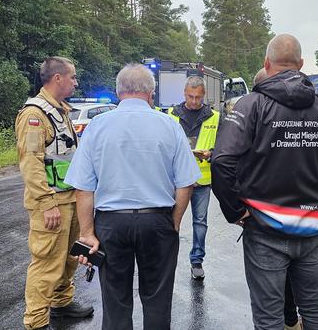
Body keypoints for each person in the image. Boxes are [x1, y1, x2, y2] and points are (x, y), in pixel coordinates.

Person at [211, 34, 318, 330]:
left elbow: (222, 160)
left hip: (264, 229)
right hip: (311, 229)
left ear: (266, 63)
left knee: (270, 317)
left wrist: (236, 211)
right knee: (315, 306)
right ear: (301, 65)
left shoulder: (251, 105)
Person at [65, 64, 200, 330]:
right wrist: (174, 221)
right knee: (158, 300)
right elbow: (186, 183)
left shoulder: (97, 127)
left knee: (115, 302)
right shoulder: (170, 126)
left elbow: (83, 187)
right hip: (157, 221)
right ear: (151, 93)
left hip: (111, 225)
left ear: (118, 92)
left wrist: (88, 233)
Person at [15, 57, 93, 330]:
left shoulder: (59, 111)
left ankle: (62, 303)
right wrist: (46, 202)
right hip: (52, 201)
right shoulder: (34, 115)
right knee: (47, 262)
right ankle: (35, 322)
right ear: (57, 78)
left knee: (69, 257)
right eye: (72, 77)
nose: (76, 82)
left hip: (69, 197)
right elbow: (31, 163)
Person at [254, 67, 300, 330]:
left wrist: (239, 210)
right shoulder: (311, 111)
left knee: (268, 293)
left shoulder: (256, 113)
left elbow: (230, 164)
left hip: (267, 219)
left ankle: (287, 319)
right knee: (305, 289)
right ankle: (291, 320)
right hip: (305, 215)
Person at [167, 76, 220, 280]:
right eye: (190, 96)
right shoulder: (171, 115)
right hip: (177, 179)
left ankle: (197, 260)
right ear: (184, 93)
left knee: (200, 222)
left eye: (198, 97)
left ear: (203, 95)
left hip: (201, 180)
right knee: (170, 220)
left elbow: (224, 145)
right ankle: (167, 257)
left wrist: (212, 153)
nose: (194, 101)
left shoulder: (214, 116)